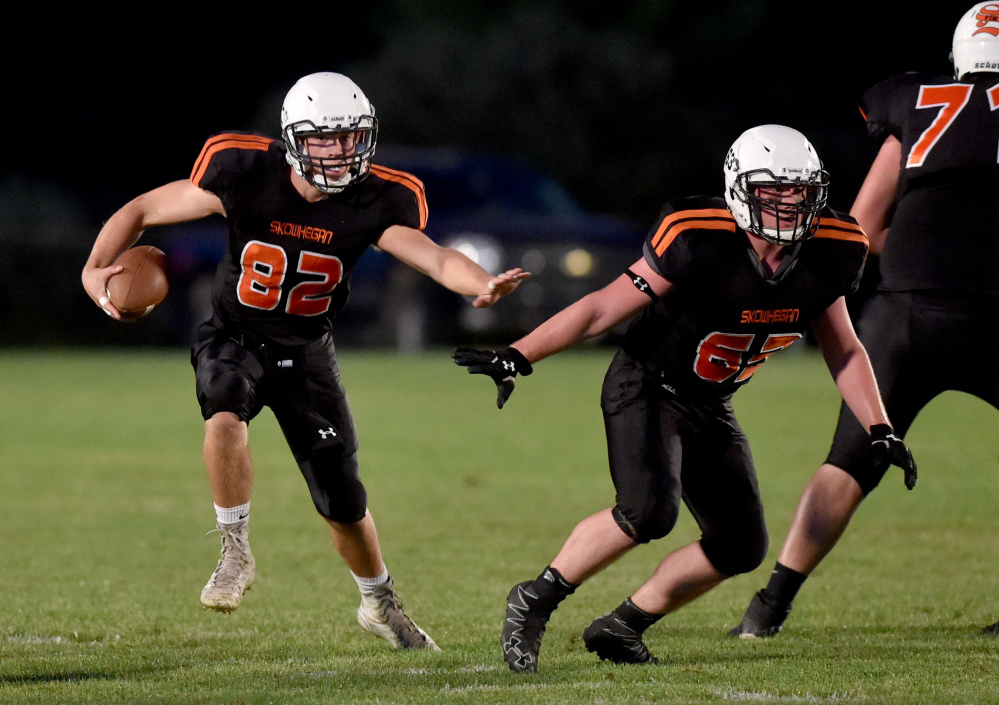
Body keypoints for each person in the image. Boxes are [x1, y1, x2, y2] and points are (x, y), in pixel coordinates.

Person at [81, 71, 528, 651]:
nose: (341, 151)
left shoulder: (376, 198)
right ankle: (234, 549)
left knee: (342, 498)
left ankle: (378, 601)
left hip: (306, 351)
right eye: (326, 138)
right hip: (234, 333)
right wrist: (95, 268)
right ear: (294, 137)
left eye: (350, 137)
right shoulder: (243, 172)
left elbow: (435, 257)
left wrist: (480, 281)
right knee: (222, 408)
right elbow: (142, 209)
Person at [453, 124, 917, 672]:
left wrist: (879, 426)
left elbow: (844, 349)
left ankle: (623, 625)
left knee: (740, 546)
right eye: (774, 190)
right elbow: (604, 307)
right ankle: (535, 599)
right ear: (740, 188)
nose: (790, 203)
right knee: (649, 510)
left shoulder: (835, 248)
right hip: (647, 382)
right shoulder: (696, 234)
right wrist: (520, 354)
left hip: (711, 401)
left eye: (801, 191)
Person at [729, 3, 999, 640]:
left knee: (848, 462)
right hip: (993, 316)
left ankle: (767, 609)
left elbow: (862, 227)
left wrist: (923, 253)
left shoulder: (916, 102)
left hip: (902, 315)